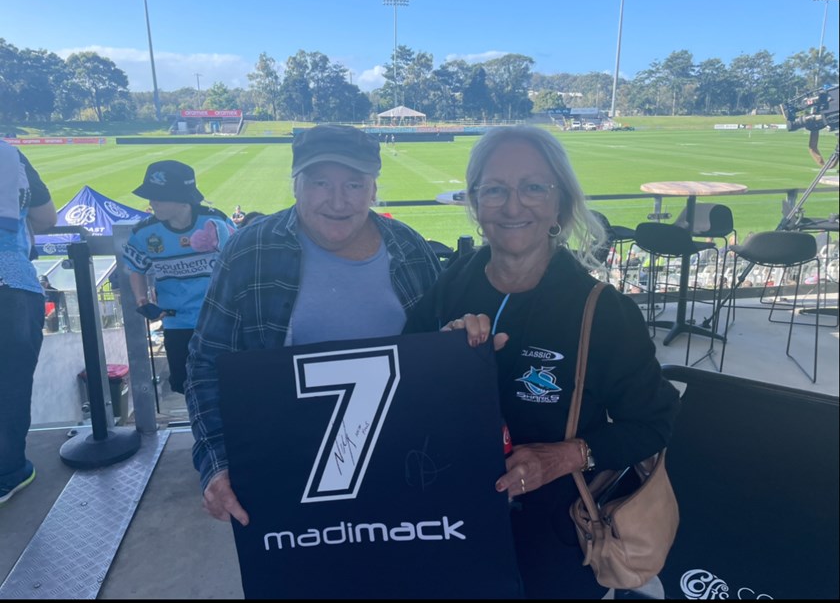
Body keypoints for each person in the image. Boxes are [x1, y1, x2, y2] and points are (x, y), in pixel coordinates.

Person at [402, 126, 681, 599]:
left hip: (554, 537)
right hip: (451, 520)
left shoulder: (603, 309)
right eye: (495, 190)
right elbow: (400, 378)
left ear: (560, 203)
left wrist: (565, 456)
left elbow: (656, 423)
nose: (513, 207)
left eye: (534, 187)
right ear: (474, 203)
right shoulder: (452, 285)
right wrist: (439, 355)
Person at [186, 124, 441, 525]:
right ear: (296, 184)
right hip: (286, 472)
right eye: (320, 182)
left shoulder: (409, 249)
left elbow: (442, 363)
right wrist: (215, 463)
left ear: (373, 189)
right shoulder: (251, 250)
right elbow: (206, 365)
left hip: (400, 468)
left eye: (354, 185)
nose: (338, 201)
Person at [123, 160, 234, 395]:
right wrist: (143, 301)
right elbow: (136, 268)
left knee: (228, 382)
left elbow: (240, 260)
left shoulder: (216, 221)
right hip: (177, 324)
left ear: (183, 199)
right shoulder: (144, 232)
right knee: (188, 387)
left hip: (220, 322)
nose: (151, 203)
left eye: (159, 197)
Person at [0, 140, 57, 504]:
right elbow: (46, 218)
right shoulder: (10, 155)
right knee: (10, 385)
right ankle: (7, 473)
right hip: (11, 284)